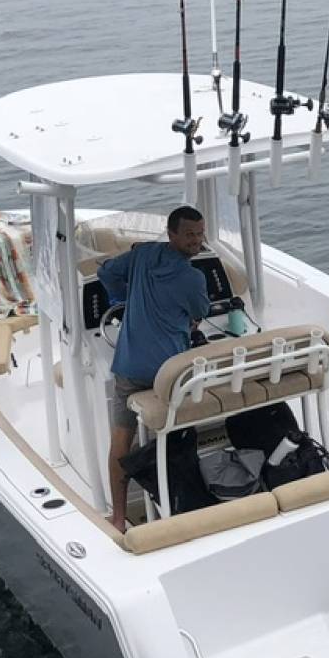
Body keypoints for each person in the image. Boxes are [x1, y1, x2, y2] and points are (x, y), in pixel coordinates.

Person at [98, 206, 212, 530]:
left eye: (199, 234)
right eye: (189, 234)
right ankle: (184, 505)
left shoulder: (142, 255)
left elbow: (106, 272)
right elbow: (199, 312)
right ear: (172, 233)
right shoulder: (193, 278)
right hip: (169, 375)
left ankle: (119, 518)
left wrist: (124, 296)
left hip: (131, 370)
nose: (195, 240)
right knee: (176, 433)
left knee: (120, 440)